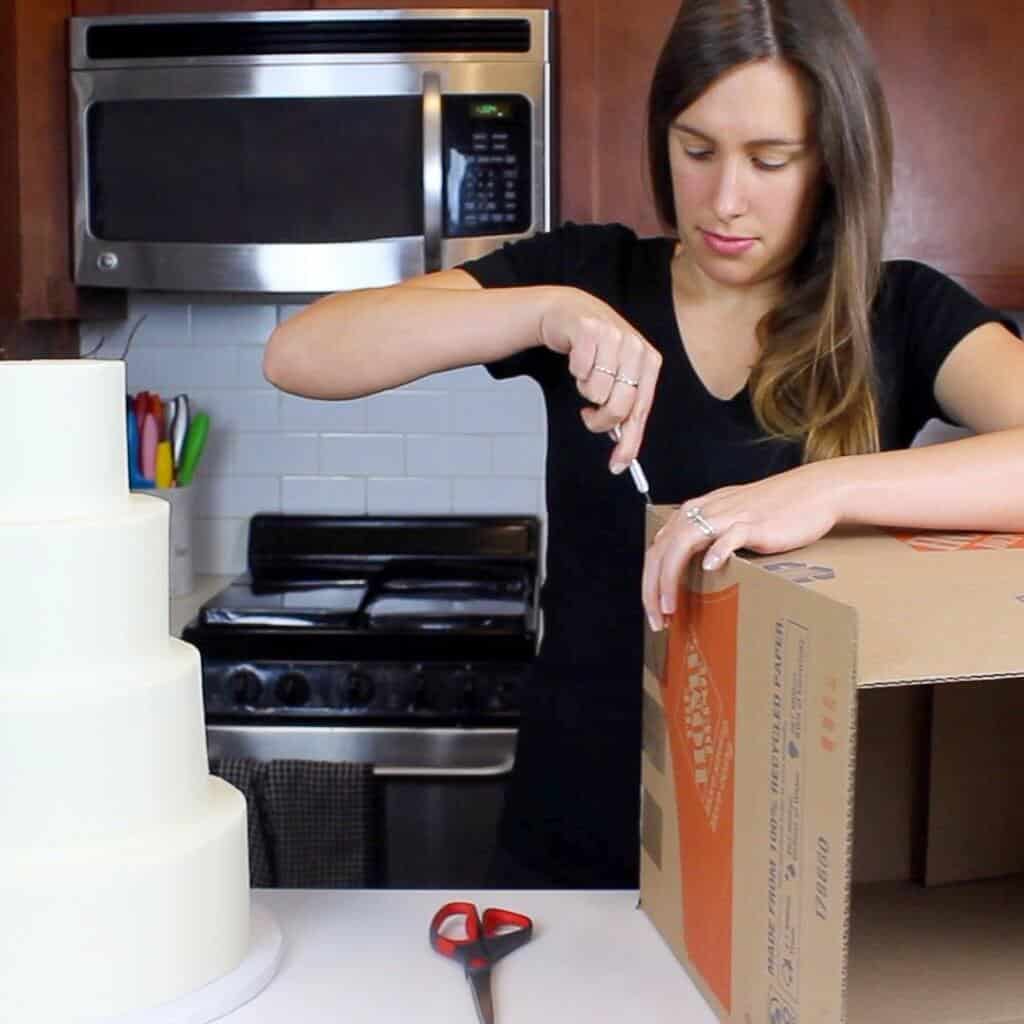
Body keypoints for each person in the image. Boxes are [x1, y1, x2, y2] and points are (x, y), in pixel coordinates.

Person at [263, 0, 1024, 889]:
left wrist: (831, 488)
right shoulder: (593, 274)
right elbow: (300, 355)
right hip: (573, 831)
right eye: (696, 150)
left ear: (834, 164)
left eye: (770, 160)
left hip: (790, 857)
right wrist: (544, 309)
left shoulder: (901, 311)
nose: (724, 199)